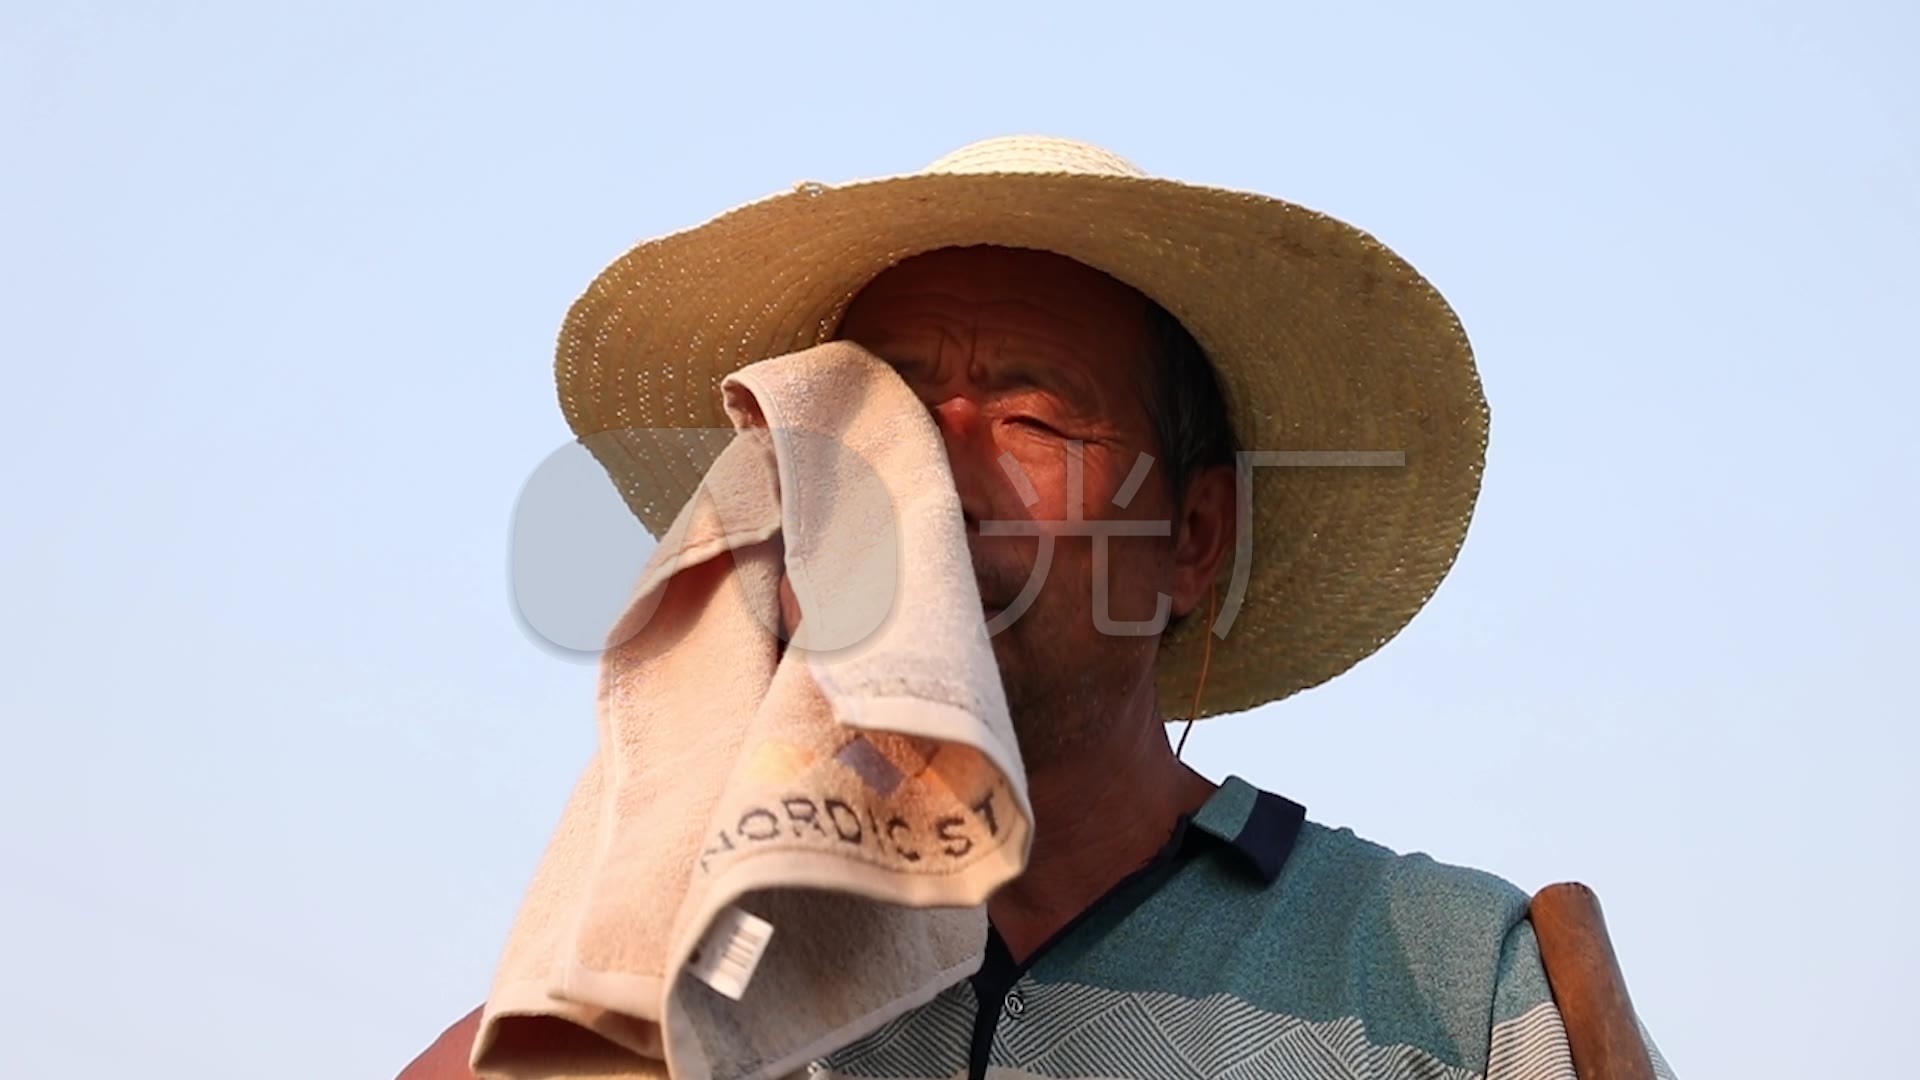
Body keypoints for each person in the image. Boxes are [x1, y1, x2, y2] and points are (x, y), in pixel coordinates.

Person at [402, 137, 1673, 1080]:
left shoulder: (1452, 985)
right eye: (879, 423)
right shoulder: (650, 1007)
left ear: (1191, 540)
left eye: (1032, 415)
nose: (933, 482)